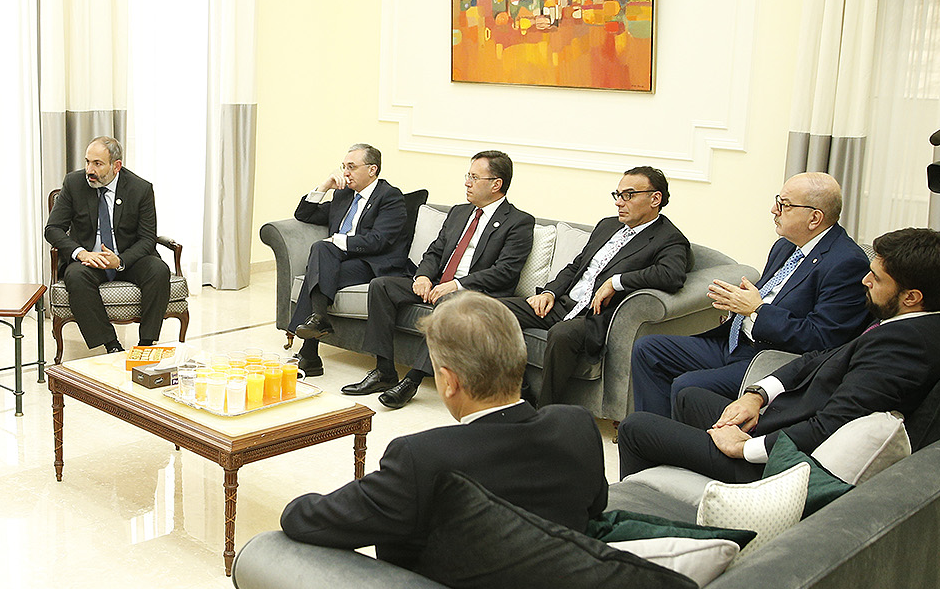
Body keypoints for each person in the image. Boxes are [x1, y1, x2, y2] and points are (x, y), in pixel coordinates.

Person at [240, 293, 607, 589]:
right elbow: (595, 509)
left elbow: (305, 520)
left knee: (286, 552)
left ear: (448, 382)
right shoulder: (576, 427)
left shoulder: (424, 458)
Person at [617, 228, 940, 484]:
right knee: (690, 396)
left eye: (876, 278)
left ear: (911, 296)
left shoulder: (902, 351)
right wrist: (757, 395)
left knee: (636, 428)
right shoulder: (926, 324)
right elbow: (820, 358)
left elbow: (828, 426)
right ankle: (678, 486)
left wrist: (744, 449)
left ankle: (643, 501)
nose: (865, 281)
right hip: (780, 422)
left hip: (779, 464)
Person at [630, 173, 870, 417]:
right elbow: (771, 297)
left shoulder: (847, 263)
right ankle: (652, 434)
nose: (774, 210)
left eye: (785, 205)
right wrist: (737, 308)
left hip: (774, 359)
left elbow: (821, 339)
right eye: (778, 201)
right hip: (738, 343)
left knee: (687, 385)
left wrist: (757, 310)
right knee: (649, 349)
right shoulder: (785, 245)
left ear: (814, 218)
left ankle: (682, 439)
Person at [343, 150, 535, 408]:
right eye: (468, 175)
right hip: (438, 284)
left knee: (451, 302)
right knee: (382, 285)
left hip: (475, 293)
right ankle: (384, 370)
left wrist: (457, 285)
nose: (467, 182)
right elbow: (435, 251)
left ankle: (412, 380)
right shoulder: (459, 212)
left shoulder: (519, 222)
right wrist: (423, 276)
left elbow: (505, 271)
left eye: (474, 177)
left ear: (496, 184)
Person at [497, 167, 690, 406]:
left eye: (628, 195)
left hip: (594, 316)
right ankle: (519, 395)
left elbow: (671, 275)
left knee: (562, 334)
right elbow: (576, 266)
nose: (619, 202)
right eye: (617, 195)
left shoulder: (669, 238)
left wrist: (616, 282)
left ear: (655, 198)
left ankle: (545, 413)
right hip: (563, 304)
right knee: (493, 311)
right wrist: (549, 292)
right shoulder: (607, 226)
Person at [286, 143, 411, 377]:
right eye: (344, 167)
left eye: (351, 167)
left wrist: (337, 240)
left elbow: (379, 241)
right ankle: (318, 321)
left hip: (372, 262)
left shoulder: (390, 197)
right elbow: (304, 214)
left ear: (372, 169)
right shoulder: (343, 194)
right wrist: (324, 186)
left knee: (320, 262)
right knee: (322, 255)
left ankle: (309, 354)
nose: (345, 172)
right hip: (339, 260)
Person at [43, 136, 170, 354]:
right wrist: (81, 253)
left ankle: (146, 345)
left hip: (128, 259)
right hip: (90, 260)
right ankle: (111, 345)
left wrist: (120, 261)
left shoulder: (140, 189)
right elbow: (52, 229)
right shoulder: (74, 183)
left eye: (97, 164)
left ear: (116, 166)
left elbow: (148, 238)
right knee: (75, 276)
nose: (89, 170)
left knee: (159, 270)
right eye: (87, 162)